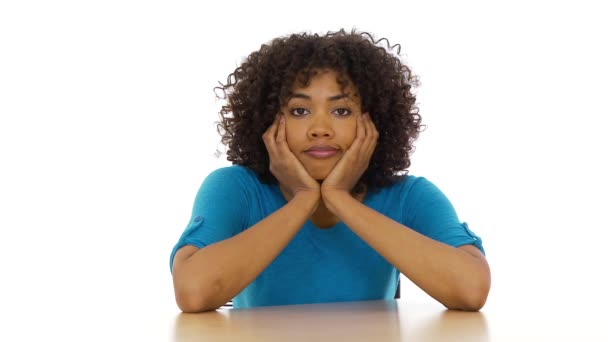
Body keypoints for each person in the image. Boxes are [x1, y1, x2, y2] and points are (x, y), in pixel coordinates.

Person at [169, 28, 491, 312]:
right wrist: (304, 198)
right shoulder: (236, 188)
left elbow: (471, 289)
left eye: (341, 110)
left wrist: (339, 197)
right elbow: (194, 292)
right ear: (268, 121)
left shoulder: (409, 196)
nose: (319, 129)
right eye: (299, 111)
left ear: (373, 121)